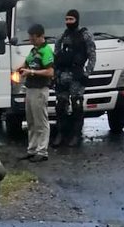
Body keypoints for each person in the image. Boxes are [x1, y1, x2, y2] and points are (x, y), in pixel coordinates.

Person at [52, 9, 96, 148]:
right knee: (60, 106)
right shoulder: (61, 36)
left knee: (77, 106)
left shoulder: (85, 35)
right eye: (66, 19)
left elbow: (92, 56)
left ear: (77, 19)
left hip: (77, 75)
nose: (68, 22)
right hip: (63, 76)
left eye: (71, 19)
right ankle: (61, 134)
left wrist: (87, 74)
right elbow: (56, 56)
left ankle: (76, 135)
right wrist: (55, 74)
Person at [16, 24, 54, 161]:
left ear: (40, 36)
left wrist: (31, 72)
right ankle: (32, 149)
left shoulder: (46, 51)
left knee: (41, 121)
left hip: (40, 89)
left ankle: (42, 151)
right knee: (31, 120)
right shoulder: (33, 51)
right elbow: (26, 64)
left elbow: (50, 71)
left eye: (33, 37)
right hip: (30, 88)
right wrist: (20, 68)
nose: (31, 40)